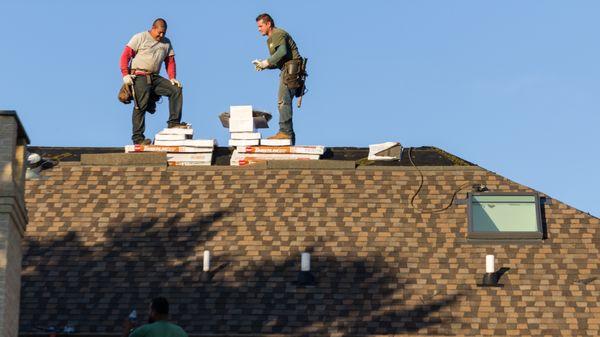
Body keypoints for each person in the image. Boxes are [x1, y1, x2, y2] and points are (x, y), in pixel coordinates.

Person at [120, 18, 187, 145]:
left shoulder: (166, 43)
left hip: (154, 77)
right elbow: (125, 55)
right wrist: (125, 74)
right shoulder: (140, 37)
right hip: (139, 75)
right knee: (140, 105)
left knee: (176, 90)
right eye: (159, 32)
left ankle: (174, 123)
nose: (161, 35)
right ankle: (138, 139)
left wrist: (172, 77)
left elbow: (170, 61)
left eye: (164, 33)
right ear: (153, 28)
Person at [253, 13, 304, 145]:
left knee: (283, 101)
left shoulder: (277, 33)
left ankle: (285, 132)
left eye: (260, 26)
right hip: (287, 69)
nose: (259, 29)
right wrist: (264, 66)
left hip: (290, 70)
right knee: (284, 101)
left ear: (268, 24)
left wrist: (267, 62)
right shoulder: (270, 39)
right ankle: (288, 136)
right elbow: (279, 60)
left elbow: (282, 53)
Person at [122, 297, 187, 337]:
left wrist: (129, 329)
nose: (148, 313)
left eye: (149, 310)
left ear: (154, 312)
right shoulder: (180, 332)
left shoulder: (145, 330)